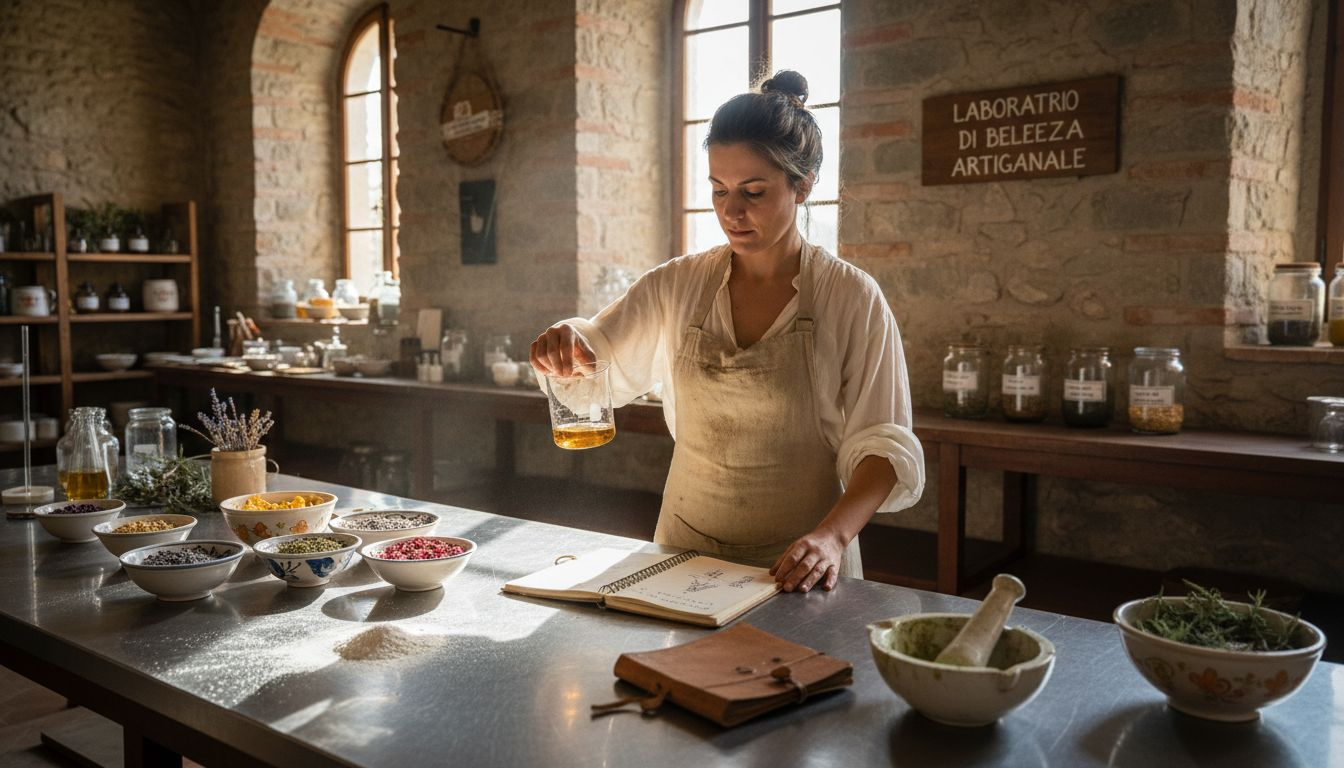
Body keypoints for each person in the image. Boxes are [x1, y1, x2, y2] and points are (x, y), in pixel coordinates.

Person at [531, 70, 924, 593]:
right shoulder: (679, 285)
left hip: (800, 565)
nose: (730, 211)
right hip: (681, 554)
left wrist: (831, 538)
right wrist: (565, 343)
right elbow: (596, 354)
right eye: (718, 190)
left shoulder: (849, 298)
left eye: (753, 191)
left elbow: (883, 446)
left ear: (802, 185)